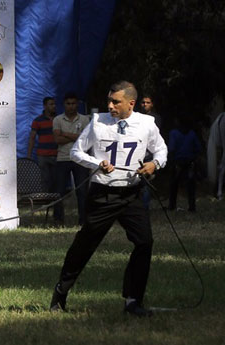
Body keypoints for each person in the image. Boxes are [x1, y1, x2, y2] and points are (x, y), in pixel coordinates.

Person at [49, 81, 167, 317]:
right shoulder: (97, 122)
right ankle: (60, 293)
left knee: (144, 242)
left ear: (131, 103)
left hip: (131, 194)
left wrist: (154, 164)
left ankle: (133, 300)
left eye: (116, 102)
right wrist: (97, 163)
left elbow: (161, 150)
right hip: (103, 194)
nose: (110, 106)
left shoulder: (147, 124)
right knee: (85, 244)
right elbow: (76, 152)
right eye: (109, 101)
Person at [52, 92, 91, 225]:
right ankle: (58, 219)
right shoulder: (57, 119)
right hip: (62, 158)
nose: (71, 106)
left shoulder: (85, 119)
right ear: (64, 105)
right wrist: (75, 136)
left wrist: (65, 134)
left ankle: (83, 220)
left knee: (82, 191)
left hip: (80, 158)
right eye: (68, 104)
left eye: (73, 103)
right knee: (59, 191)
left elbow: (85, 140)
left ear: (77, 104)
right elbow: (57, 140)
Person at [27, 97, 61, 220]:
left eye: (54, 104)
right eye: (51, 104)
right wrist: (29, 155)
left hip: (57, 154)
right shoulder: (37, 121)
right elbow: (32, 138)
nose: (54, 106)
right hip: (43, 155)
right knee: (45, 180)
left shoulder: (59, 119)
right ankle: (44, 204)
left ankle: (56, 204)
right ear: (44, 106)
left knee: (57, 181)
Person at [167, 116, 203, 212]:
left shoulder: (174, 133)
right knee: (191, 186)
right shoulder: (192, 133)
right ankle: (192, 206)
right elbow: (198, 148)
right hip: (190, 162)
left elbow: (171, 148)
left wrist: (172, 159)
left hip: (177, 162)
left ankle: (172, 205)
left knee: (174, 185)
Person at [139, 95, 163, 209]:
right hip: (138, 153)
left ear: (152, 104)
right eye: (143, 102)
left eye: (147, 102)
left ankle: (145, 207)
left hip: (149, 155)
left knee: (146, 183)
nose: (145, 105)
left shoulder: (155, 118)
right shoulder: (136, 117)